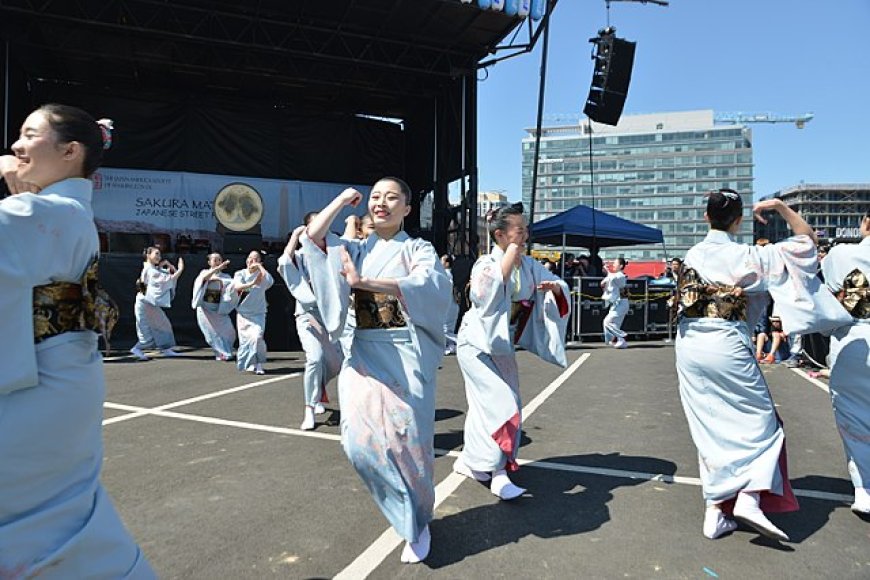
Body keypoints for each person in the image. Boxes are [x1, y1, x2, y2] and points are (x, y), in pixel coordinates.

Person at [0, 104, 154, 576]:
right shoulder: (54, 210)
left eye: (29, 135)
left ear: (70, 152)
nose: (15, 147)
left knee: (40, 523)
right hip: (55, 374)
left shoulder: (48, 211)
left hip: (39, 385)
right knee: (54, 518)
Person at [302, 177, 451, 563]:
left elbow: (429, 286)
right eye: (375, 197)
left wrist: (363, 281)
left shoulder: (419, 248)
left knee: (408, 444)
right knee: (357, 443)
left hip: (405, 354)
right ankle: (404, 514)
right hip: (364, 354)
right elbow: (312, 240)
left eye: (392, 197)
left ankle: (417, 523)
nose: (381, 203)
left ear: (407, 208)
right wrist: (339, 201)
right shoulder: (353, 246)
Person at [674, 190, 823, 542]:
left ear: (706, 216)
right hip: (724, 341)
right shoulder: (749, 255)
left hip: (690, 342)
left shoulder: (694, 253)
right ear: (738, 221)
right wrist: (779, 208)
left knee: (709, 423)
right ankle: (750, 497)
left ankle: (715, 508)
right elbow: (808, 243)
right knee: (763, 422)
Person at [453, 203, 570, 500]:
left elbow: (560, 285)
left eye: (526, 229)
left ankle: (471, 460)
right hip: (476, 344)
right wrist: (508, 259)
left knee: (497, 405)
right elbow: (483, 296)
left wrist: (555, 290)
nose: (525, 235)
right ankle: (498, 472)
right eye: (520, 230)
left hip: (502, 345)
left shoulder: (529, 265)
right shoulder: (486, 264)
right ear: (500, 235)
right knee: (499, 404)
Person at [821, 208, 870, 515]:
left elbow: (826, 297)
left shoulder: (841, 255)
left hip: (855, 336)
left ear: (867, 223)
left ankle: (864, 486)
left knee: (854, 414)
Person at [278, 213, 343, 430]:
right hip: (307, 315)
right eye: (314, 224)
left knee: (336, 364)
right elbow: (284, 263)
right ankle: (309, 408)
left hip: (331, 316)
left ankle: (317, 391)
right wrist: (296, 235)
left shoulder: (334, 251)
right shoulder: (301, 254)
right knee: (314, 359)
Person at [130, 246, 185, 360]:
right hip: (144, 303)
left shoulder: (152, 269)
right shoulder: (150, 270)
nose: (159, 257)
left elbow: (165, 276)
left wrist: (167, 266)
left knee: (162, 324)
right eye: (156, 254)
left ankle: (165, 348)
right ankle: (137, 348)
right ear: (148, 255)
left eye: (160, 254)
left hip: (149, 302)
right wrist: (180, 269)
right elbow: (166, 280)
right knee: (146, 329)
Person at [232, 250, 274, 375]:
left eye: (255, 259)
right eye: (250, 258)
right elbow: (237, 287)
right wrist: (251, 283)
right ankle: (250, 363)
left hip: (258, 313)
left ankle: (259, 363)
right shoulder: (240, 273)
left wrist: (260, 267)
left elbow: (269, 282)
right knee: (246, 340)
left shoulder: (262, 275)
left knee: (257, 337)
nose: (252, 261)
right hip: (243, 314)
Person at [191, 252, 237, 361]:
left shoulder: (226, 277)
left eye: (219, 260)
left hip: (219, 308)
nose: (217, 262)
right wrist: (216, 269)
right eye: (214, 260)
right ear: (209, 262)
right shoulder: (204, 273)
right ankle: (220, 353)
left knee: (229, 331)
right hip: (205, 309)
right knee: (212, 332)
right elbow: (203, 280)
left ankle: (227, 350)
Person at [601, 257, 629, 349]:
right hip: (616, 304)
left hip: (621, 304)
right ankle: (620, 340)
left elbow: (611, 278)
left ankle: (622, 336)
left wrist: (606, 270)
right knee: (614, 324)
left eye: (615, 263)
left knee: (607, 322)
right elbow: (604, 283)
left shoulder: (621, 275)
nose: (613, 264)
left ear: (621, 266)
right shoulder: (614, 276)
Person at [442, 254, 461, 355]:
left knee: (445, 330)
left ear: (447, 263)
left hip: (448, 305)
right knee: (448, 329)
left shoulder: (445, 274)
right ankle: (451, 346)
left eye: (443, 261)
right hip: (452, 305)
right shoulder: (450, 274)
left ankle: (461, 342)